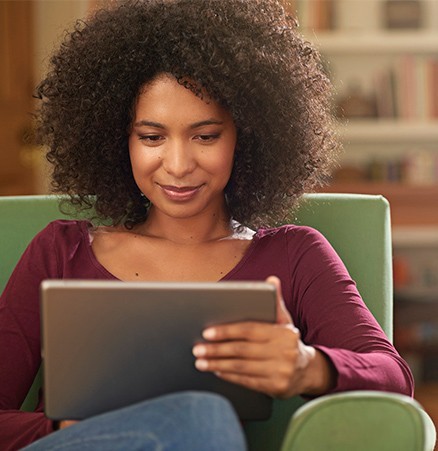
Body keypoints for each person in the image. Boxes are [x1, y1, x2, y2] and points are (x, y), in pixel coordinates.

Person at [0, 0, 414, 450]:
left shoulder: (295, 255)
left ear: (246, 135)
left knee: (205, 418)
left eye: (205, 136)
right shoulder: (61, 250)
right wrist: (73, 433)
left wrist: (307, 366)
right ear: (121, 140)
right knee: (203, 414)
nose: (178, 165)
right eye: (152, 137)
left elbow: (393, 379)